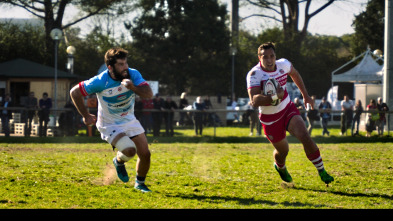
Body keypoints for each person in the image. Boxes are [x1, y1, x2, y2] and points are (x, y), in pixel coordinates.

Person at [246, 42, 334, 185]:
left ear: (275, 56)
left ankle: (322, 171)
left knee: (305, 135)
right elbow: (254, 101)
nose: (269, 60)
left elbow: (295, 74)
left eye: (272, 56)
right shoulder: (254, 74)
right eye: (265, 57)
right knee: (283, 152)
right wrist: (275, 97)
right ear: (259, 57)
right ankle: (280, 167)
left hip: (287, 109)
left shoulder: (283, 64)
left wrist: (305, 95)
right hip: (270, 119)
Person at [69, 47, 153, 193]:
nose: (125, 67)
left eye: (125, 63)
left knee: (145, 154)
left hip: (129, 119)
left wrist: (132, 86)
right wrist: (86, 115)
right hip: (109, 123)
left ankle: (140, 184)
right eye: (120, 64)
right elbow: (74, 92)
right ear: (110, 67)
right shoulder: (101, 81)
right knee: (130, 150)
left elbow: (148, 94)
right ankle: (118, 161)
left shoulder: (133, 74)